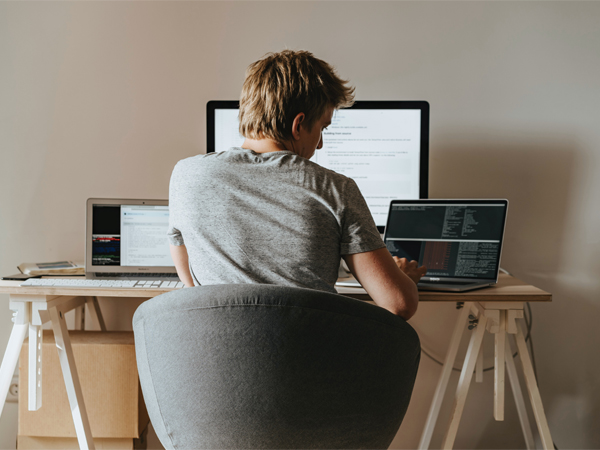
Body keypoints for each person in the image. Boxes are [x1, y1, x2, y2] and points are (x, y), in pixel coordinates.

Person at [167, 50, 426, 320]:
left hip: (212, 356)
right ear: (298, 125)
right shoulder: (335, 188)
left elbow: (192, 288)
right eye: (323, 128)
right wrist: (402, 278)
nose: (321, 143)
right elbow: (398, 304)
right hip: (306, 358)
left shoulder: (186, 174)